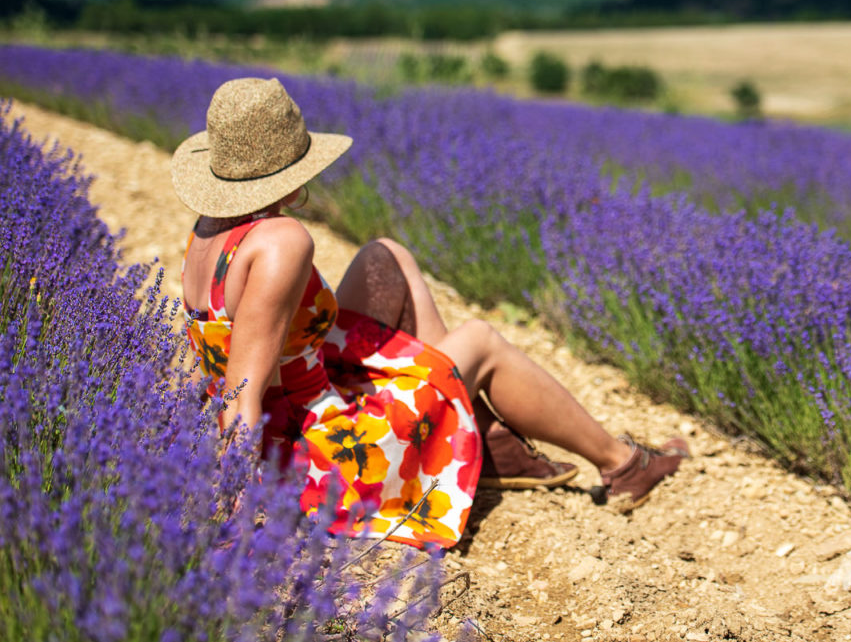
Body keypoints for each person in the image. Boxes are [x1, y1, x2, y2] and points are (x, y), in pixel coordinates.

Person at [172, 76, 687, 547]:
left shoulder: (209, 230)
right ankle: (623, 464)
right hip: (323, 455)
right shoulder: (281, 240)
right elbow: (242, 396)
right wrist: (234, 514)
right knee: (481, 338)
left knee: (385, 255)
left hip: (302, 399)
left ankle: (473, 434)